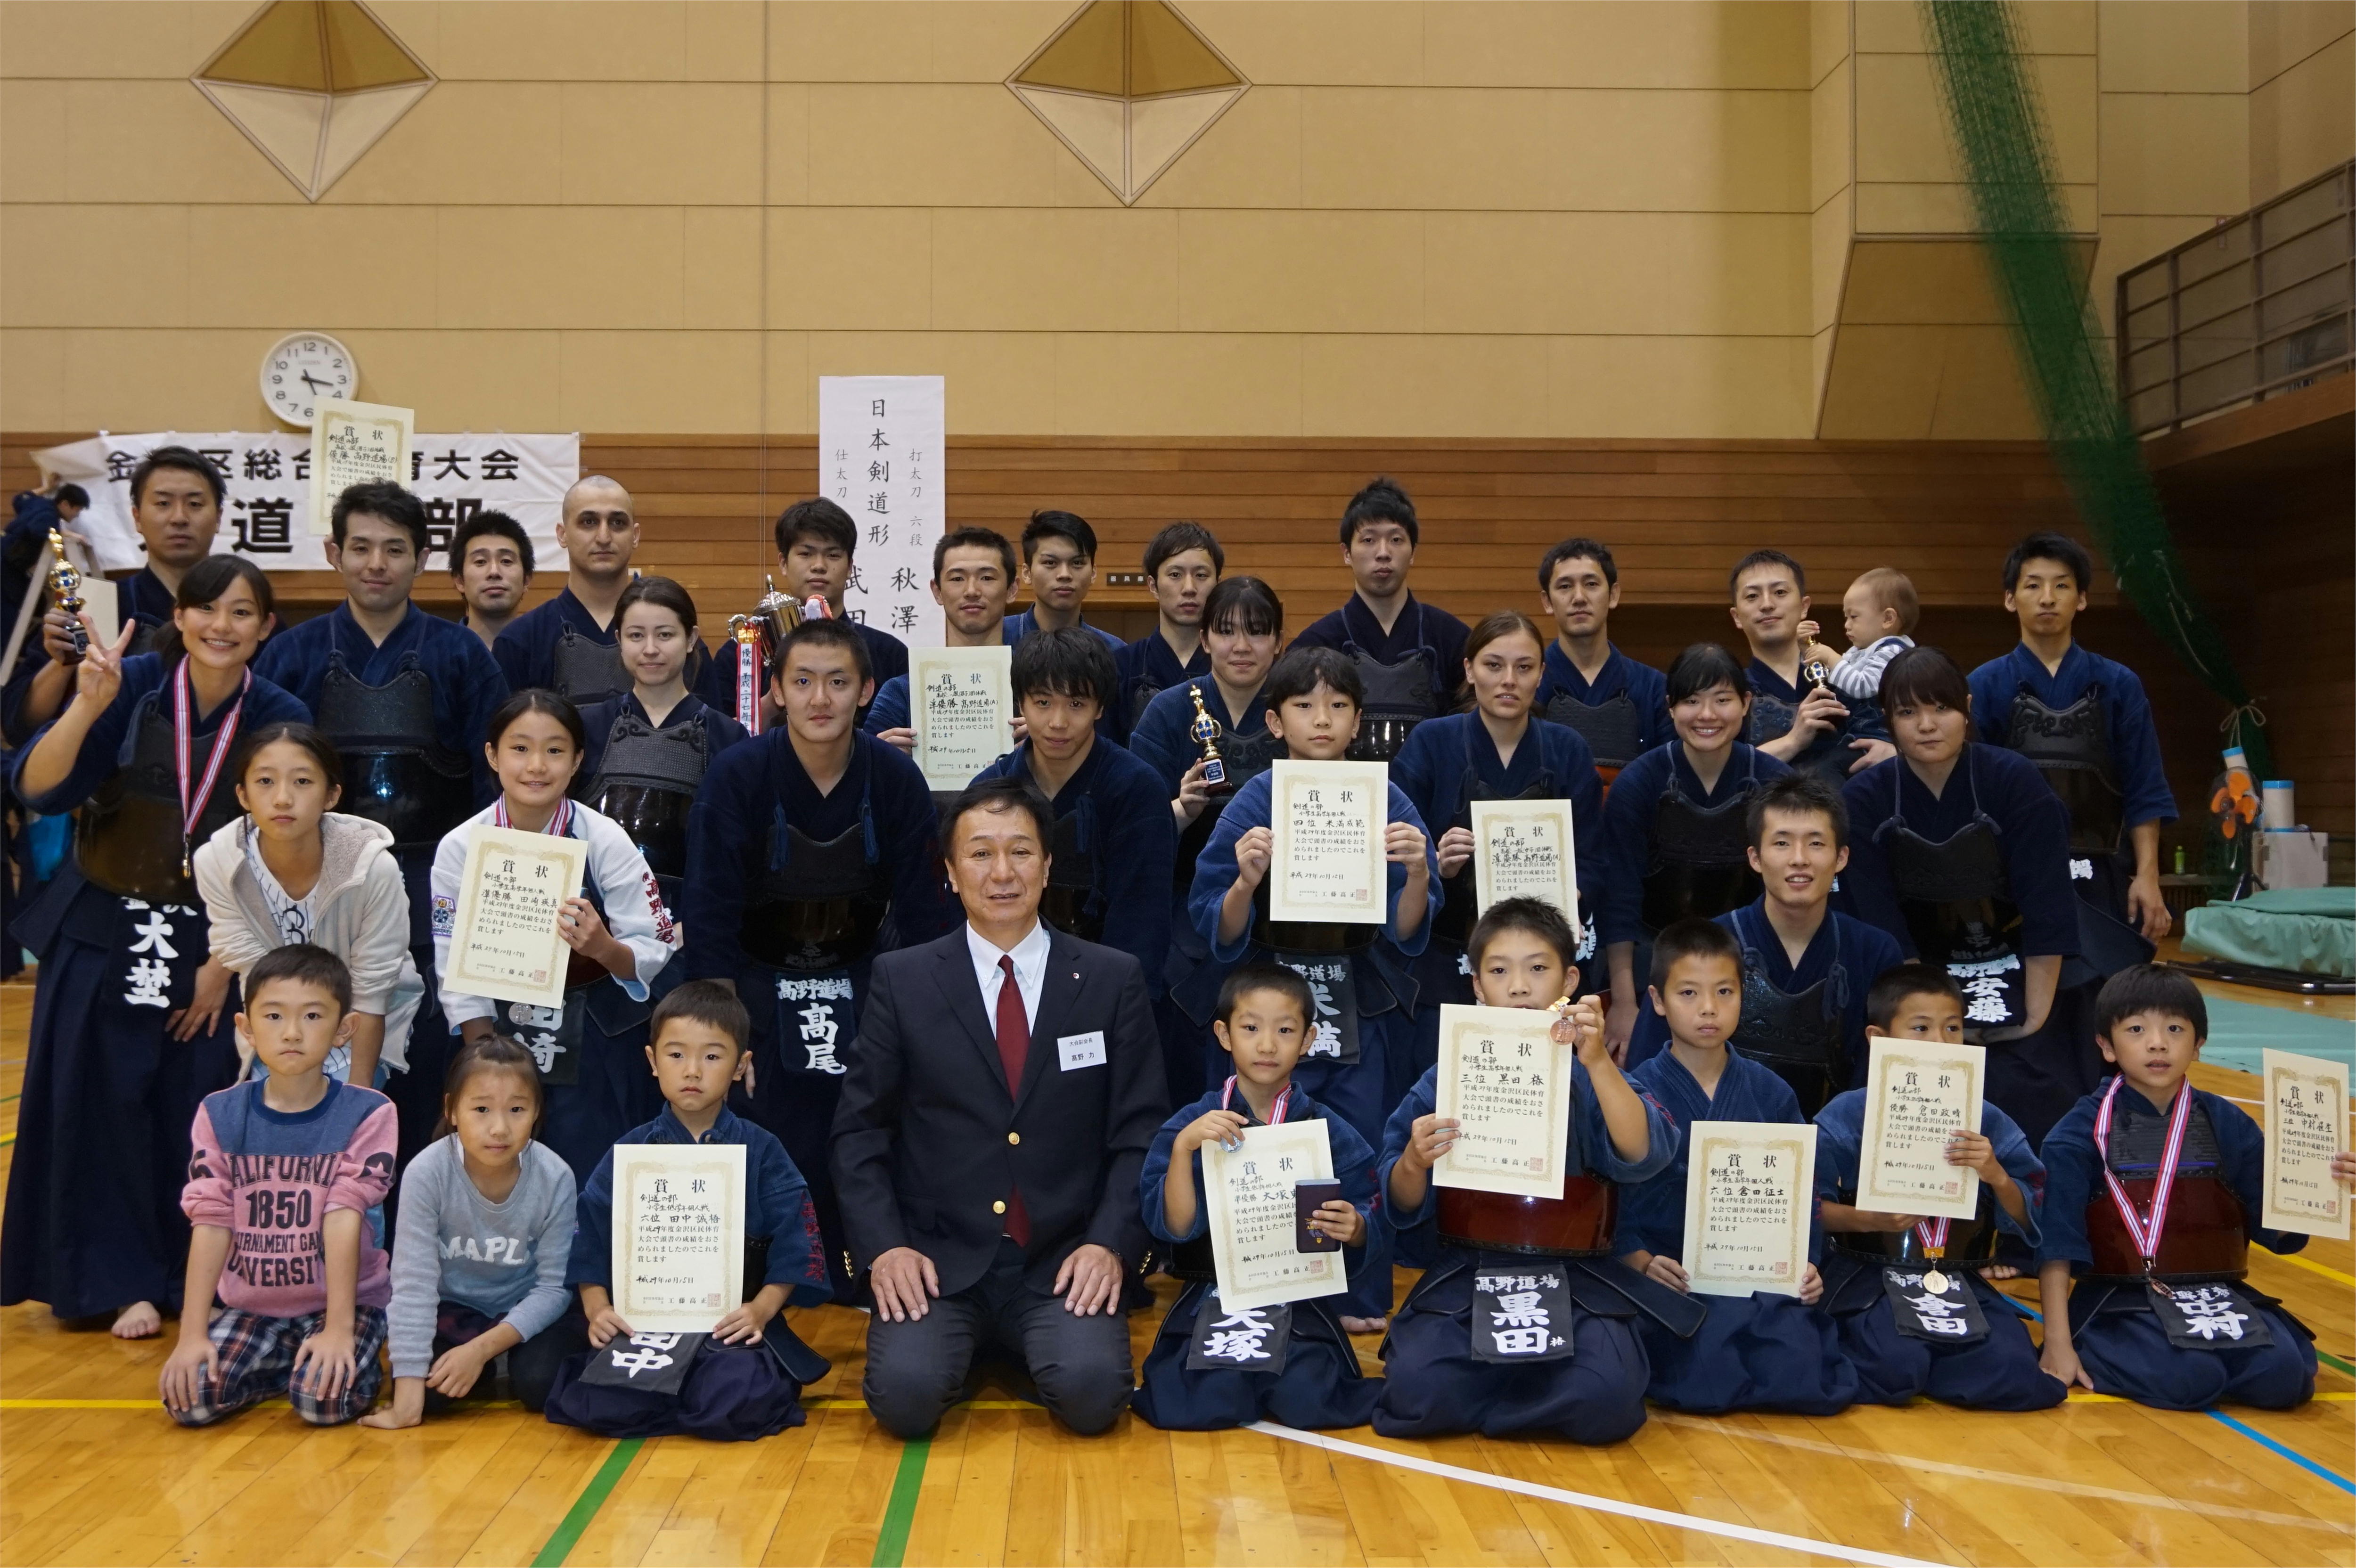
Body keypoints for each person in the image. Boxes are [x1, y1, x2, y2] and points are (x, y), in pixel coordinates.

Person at [4, 556, 305, 1340]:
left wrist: (224, 964)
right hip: (104, 923)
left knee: (193, 1109)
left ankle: (187, 1274)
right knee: (99, 1103)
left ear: (266, 628)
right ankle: (117, 1281)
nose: (221, 626)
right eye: (206, 608)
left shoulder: (279, 712)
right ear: (180, 615)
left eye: (242, 613)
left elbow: (283, 846)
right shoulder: (131, 682)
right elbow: (37, 788)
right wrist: (85, 705)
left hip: (213, 936)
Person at [834, 776, 1167, 1440]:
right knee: (903, 1401)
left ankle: (1016, 1345)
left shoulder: (1110, 978)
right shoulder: (903, 979)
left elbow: (1141, 1133)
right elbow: (859, 1133)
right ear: (951, 872)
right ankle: (977, 1346)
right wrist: (886, 1249)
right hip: (937, 1261)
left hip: (1061, 1258)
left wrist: (1108, 1244)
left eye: (1020, 851)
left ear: (1047, 864)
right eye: (981, 853)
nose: (1002, 872)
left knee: (1093, 1398)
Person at [684, 618, 950, 1299]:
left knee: (864, 1130)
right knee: (774, 1129)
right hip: (758, 980)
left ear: (867, 690)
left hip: (863, 975)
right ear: (776, 690)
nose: (820, 699)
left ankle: (867, 1273)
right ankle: (773, 1282)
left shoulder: (895, 778)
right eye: (802, 681)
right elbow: (709, 905)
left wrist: (922, 1018)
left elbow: (925, 911)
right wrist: (724, 1029)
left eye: (837, 682)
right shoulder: (738, 773)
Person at [253, 481, 509, 1156]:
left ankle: (416, 1213)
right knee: (313, 1060)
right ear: (334, 553)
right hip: (323, 887)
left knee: (427, 1070)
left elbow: (495, 787)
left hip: (434, 886)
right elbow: (263, 782)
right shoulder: (291, 655)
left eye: (394, 549)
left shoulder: (462, 657)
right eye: (361, 547)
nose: (376, 563)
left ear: (421, 559)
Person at [1186, 647, 1439, 1330]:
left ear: (1358, 721)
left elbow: (1408, 931)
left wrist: (1418, 873)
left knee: (1360, 1138)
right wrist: (1245, 881)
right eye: (1303, 706)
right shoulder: (1254, 800)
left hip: (1357, 988)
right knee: (1258, 1135)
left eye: (1337, 706)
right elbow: (1216, 923)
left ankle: (1356, 1291)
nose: (1321, 720)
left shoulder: (1386, 798)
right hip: (1270, 989)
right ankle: (1260, 1277)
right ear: (1275, 721)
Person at [1374, 898, 1685, 1446]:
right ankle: (1526, 1397)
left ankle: (1498, 1397)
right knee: (1417, 1391)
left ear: (1569, 979)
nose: (1518, 986)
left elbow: (1643, 1151)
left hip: (1575, 1272)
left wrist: (1598, 1062)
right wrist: (1413, 1162)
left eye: (1537, 968)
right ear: (1476, 985)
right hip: (1470, 1269)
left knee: (1605, 1398)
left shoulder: (1592, 1068)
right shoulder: (1447, 1073)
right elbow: (1399, 1199)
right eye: (1499, 970)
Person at [544, 981, 832, 1441]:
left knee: (735, 1395)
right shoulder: (631, 1151)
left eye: (713, 1056)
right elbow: (591, 1239)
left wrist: (760, 1310)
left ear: (741, 1066)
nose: (693, 1070)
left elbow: (796, 1243)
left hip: (728, 1323)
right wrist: (598, 1309)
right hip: (648, 1321)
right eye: (676, 1054)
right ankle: (680, 1398)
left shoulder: (762, 1150)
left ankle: (685, 1397)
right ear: (652, 1061)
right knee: (602, 1403)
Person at [2036, 965, 2316, 1411]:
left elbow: (2276, 1229)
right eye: (2136, 1029)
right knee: (2191, 1380)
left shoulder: (2229, 1123)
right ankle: (2097, 1346)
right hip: (2123, 1298)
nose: (2158, 1043)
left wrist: (2316, 1188)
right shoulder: (2077, 1133)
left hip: (2215, 1293)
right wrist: (2058, 1343)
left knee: (2284, 1379)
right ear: (2106, 1045)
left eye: (2175, 1029)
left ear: (2199, 1043)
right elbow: (2057, 1245)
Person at [1839, 646, 2083, 1145]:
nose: (1927, 725)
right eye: (1908, 712)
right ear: (1887, 719)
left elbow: (2047, 903)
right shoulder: (1862, 799)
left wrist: (2034, 1017)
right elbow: (1878, 917)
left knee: (2038, 1075)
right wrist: (1922, 1021)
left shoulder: (2014, 779)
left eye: (1941, 708)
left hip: (2018, 955)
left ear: (1967, 708)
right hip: (1917, 965)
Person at [434, 691, 679, 1185]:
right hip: (500, 1024)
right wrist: (487, 1062)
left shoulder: (604, 838)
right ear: (492, 755)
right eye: (520, 748)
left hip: (595, 1031)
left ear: (577, 760)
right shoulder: (461, 846)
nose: (536, 766)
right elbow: (452, 965)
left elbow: (652, 948)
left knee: (592, 1177)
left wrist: (602, 947)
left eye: (554, 750)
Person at [1618, 918, 1854, 1415]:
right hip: (1673, 1275)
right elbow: (1610, 1188)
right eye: (1688, 993)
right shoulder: (1635, 1091)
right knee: (1706, 1373)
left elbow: (1805, 1188)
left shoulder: (1771, 1092)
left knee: (1801, 1369)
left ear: (1743, 996)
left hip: (1757, 1274)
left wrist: (1806, 1262)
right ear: (1657, 1000)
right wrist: (1638, 1258)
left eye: (1724, 991)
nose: (1708, 1007)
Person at [1131, 964, 1380, 1431]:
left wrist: (1358, 1226)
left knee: (1310, 1397)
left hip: (1297, 1296)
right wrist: (1184, 1150)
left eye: (1285, 1030)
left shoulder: (1327, 1129)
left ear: (1308, 1040)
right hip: (1213, 1293)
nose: (1267, 1045)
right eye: (1250, 1028)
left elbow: (1369, 1205)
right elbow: (1174, 1228)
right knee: (1194, 1402)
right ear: (1224, 1035)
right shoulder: (1192, 1124)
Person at [159, 945, 398, 1428]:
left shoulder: (369, 1112)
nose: (292, 1032)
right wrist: (191, 1335)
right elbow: (210, 1222)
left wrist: (338, 1329)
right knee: (191, 1401)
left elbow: (344, 1217)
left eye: (312, 1016)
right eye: (273, 1016)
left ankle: (326, 1360)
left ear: (344, 1029)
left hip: (342, 1305)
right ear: (246, 1028)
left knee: (321, 1404)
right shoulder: (219, 1112)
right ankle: (283, 1367)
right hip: (253, 1309)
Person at [1815, 964, 2064, 1410]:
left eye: (1952, 1028)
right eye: (1921, 1028)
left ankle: (1942, 1361)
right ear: (1878, 1038)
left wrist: (1996, 1174)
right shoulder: (1847, 1114)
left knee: (2014, 1373)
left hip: (1956, 1275)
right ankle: (1926, 1361)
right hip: (1870, 1273)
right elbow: (1808, 1207)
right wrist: (1867, 1219)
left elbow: (2031, 1215)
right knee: (1897, 1367)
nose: (1941, 1042)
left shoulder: (1986, 1118)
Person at [1394, 609, 1606, 1075]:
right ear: (1469, 670)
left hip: (1539, 966)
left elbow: (1593, 856)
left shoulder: (1567, 749)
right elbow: (1396, 853)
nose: (1509, 680)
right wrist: (1437, 864)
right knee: (1445, 1085)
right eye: (1493, 665)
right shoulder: (1431, 742)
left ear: (1541, 674)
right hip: (1447, 953)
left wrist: (1570, 890)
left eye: (1524, 667)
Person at [1623, 774, 1902, 1117]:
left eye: (1816, 843)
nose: (1799, 859)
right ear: (1755, 858)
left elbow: (1883, 1081)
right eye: (1782, 843)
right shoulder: (1700, 949)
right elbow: (1647, 1080)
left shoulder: (1875, 952)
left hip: (1834, 1142)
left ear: (1841, 857)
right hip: (1712, 1138)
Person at [1967, 532, 2175, 953]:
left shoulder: (2119, 684)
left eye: (2061, 585)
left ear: (2081, 599)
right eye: (2033, 586)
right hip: (2013, 873)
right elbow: (1970, 792)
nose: (2048, 598)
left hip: (2104, 871)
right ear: (2010, 599)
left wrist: (2148, 877)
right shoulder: (1983, 686)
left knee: (2106, 984)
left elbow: (2145, 788)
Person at [194, 723, 425, 1092]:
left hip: (360, 1030)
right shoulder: (218, 864)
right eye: (265, 781)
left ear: (332, 795)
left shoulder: (372, 869)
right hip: (275, 1032)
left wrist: (360, 1094)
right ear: (243, 795)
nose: (283, 799)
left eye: (302, 782)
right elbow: (252, 969)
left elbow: (373, 988)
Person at [363, 1036, 579, 1426]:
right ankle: (481, 1369)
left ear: (536, 1112)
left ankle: (494, 1360)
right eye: (481, 1109)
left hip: (522, 1309)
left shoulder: (556, 1177)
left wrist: (480, 1350)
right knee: (427, 1392)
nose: (499, 1128)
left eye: (517, 1109)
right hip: (454, 1311)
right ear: (452, 1110)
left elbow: (553, 1289)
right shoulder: (427, 1172)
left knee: (541, 1383)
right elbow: (413, 1283)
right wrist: (406, 1404)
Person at [1130, 575, 1286, 1107]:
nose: (1241, 646)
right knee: (1190, 1078)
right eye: (1226, 631)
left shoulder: (1299, 706)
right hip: (1185, 919)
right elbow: (1134, 829)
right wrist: (1179, 811)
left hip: (1281, 920)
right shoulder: (1169, 711)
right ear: (1204, 639)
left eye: (1257, 632)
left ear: (1279, 642)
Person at [1598, 644, 1792, 1061]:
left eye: (1722, 700)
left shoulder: (1776, 783)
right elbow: (1619, 896)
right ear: (1670, 707)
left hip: (1749, 960)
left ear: (1746, 704)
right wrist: (1625, 1002)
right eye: (1691, 701)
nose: (1707, 715)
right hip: (1654, 955)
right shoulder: (1639, 783)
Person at [971, 629, 1174, 994]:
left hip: (1106, 985)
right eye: (1043, 702)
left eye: (1076, 704)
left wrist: (1114, 1006)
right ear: (1021, 704)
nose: (1058, 722)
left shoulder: (1137, 788)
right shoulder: (990, 791)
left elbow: (1142, 921)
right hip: (1006, 982)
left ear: (1100, 708)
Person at [6, 445, 227, 745]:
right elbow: (20, 726)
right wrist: (62, 664)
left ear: (218, 518)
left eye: (195, 504)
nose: (179, 518)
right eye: (163, 503)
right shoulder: (92, 606)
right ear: (137, 517)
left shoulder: (246, 612)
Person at [575, 575, 749, 912]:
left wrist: (693, 927)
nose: (650, 649)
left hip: (691, 919)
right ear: (619, 640)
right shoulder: (586, 727)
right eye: (636, 636)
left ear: (691, 639)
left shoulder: (728, 737)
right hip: (594, 916)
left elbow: (735, 849)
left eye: (665, 635)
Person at [494, 476, 720, 709]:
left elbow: (710, 728)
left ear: (635, 536)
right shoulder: (521, 642)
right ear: (562, 534)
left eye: (617, 523)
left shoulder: (677, 642)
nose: (604, 537)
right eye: (589, 522)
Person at [1290, 478, 1469, 763]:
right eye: (1369, 540)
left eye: (1396, 540)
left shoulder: (1453, 639)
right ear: (1346, 553)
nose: (1383, 553)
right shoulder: (1316, 644)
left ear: (1413, 552)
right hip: (1341, 788)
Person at [709, 498, 910, 732]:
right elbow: (719, 739)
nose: (819, 566)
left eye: (833, 555)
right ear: (783, 563)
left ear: (850, 568)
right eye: (806, 554)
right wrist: (775, 698)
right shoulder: (740, 654)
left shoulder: (889, 654)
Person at [1726, 550, 1891, 783]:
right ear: (1737, 616)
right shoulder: (1731, 693)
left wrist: (1894, 751)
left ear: (1804, 606)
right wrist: (1793, 741)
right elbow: (1722, 772)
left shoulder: (1849, 676)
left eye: (1780, 592)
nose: (1767, 605)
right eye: (1752, 596)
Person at [863, 527, 1023, 746]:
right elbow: (862, 762)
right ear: (937, 591)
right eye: (957, 579)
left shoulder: (1043, 686)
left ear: (1012, 589)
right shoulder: (902, 692)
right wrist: (883, 756)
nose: (972, 591)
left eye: (987, 578)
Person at [1532, 538, 1671, 786]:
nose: (1579, 597)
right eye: (1565, 586)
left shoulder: (1655, 688)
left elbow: (1667, 779)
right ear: (1547, 602)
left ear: (1613, 595)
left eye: (1591, 584)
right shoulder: (1528, 683)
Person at [1111, 522, 1221, 742]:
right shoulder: (1121, 666)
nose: (1189, 588)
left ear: (1218, 584)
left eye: (1201, 575)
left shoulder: (1232, 663)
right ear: (1153, 586)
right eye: (1175, 575)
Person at [1002, 510, 1123, 649]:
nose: (1065, 574)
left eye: (1077, 563)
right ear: (1027, 573)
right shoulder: (998, 639)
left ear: (1093, 573)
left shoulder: (1114, 651)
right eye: (1050, 563)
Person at [1798, 567, 1918, 705]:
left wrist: (1831, 658)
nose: (1847, 625)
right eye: (1846, 617)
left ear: (1888, 619)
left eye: (1854, 617)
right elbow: (1834, 680)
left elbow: (1863, 686)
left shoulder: (1893, 652)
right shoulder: (1859, 650)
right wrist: (1807, 649)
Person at [448, 510, 533, 651]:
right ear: (459, 581)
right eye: (480, 562)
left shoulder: (547, 652)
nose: (494, 572)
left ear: (527, 580)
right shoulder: (440, 653)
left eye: (506, 561)